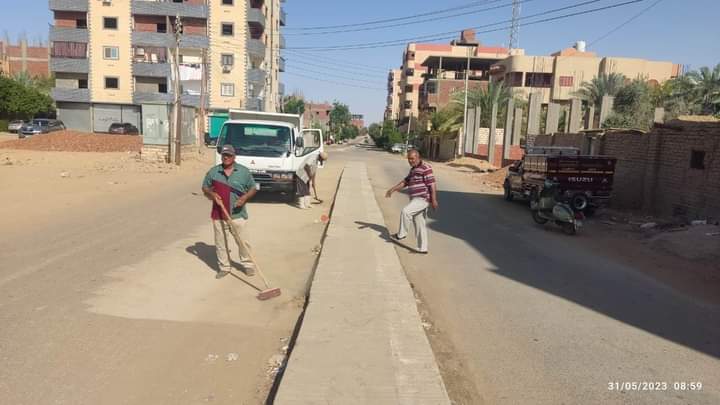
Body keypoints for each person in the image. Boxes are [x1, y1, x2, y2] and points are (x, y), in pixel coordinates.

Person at [201, 145, 258, 279]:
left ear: (234, 156)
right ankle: (224, 267)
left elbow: (253, 188)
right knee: (221, 243)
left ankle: (248, 265)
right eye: (224, 155)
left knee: (243, 242)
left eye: (229, 155)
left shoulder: (243, 172)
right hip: (219, 214)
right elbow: (204, 187)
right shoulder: (214, 172)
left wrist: (244, 198)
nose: (226, 157)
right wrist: (212, 194)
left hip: (238, 214)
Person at [385, 149, 438, 254]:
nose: (410, 161)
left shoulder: (426, 168)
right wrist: (392, 189)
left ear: (418, 157)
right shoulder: (413, 170)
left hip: (422, 198)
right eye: (409, 159)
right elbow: (405, 182)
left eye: (412, 158)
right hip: (415, 199)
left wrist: (434, 200)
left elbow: (432, 184)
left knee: (406, 211)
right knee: (419, 223)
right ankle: (423, 248)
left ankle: (401, 234)